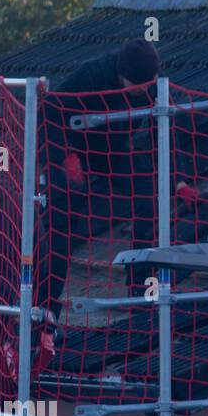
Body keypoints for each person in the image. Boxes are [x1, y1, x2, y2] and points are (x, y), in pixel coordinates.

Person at [37, 40, 162, 316]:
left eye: (146, 86)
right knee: (64, 214)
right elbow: (49, 109)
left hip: (114, 149)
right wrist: (63, 156)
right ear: (120, 77)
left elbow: (163, 130)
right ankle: (44, 307)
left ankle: (141, 291)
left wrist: (178, 179)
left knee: (148, 193)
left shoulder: (156, 86)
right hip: (74, 146)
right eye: (135, 87)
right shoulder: (91, 75)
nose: (142, 91)